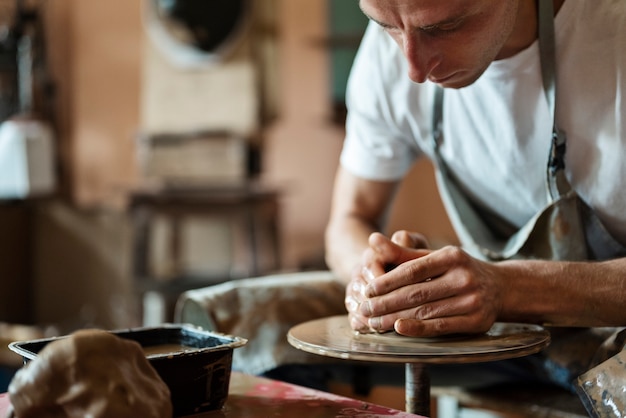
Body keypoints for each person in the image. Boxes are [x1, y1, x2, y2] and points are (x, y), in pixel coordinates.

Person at [325, 0, 626, 389]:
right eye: (387, 26)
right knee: (239, 317)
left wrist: (507, 289)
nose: (413, 69)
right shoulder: (395, 44)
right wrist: (373, 279)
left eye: (444, 27)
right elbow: (348, 220)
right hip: (496, 322)